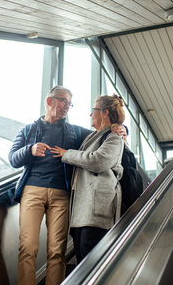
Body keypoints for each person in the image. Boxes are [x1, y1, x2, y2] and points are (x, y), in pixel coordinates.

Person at [8, 86, 124, 285]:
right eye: (63, 101)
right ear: (50, 101)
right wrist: (30, 149)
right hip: (32, 191)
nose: (66, 107)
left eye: (69, 104)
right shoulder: (28, 130)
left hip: (61, 195)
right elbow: (13, 158)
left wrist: (122, 128)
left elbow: (103, 133)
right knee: (27, 247)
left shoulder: (75, 132)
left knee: (57, 250)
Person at [50, 94, 125, 264]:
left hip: (97, 210)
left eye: (94, 110)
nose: (91, 114)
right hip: (82, 211)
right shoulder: (91, 137)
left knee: (92, 261)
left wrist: (66, 154)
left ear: (105, 113)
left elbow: (98, 161)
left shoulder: (114, 137)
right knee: (82, 259)